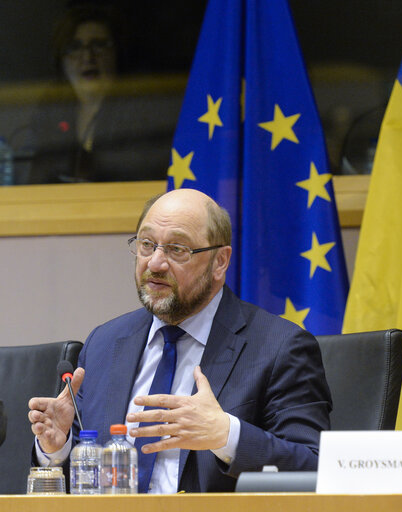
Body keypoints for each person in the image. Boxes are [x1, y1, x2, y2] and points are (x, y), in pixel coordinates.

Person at [28, 188, 332, 493]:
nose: (155, 263)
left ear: (219, 262)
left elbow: (315, 467)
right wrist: (59, 447)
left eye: (177, 249)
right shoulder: (105, 344)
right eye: (147, 245)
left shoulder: (278, 347)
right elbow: (85, 482)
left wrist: (226, 435)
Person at [26, 5, 177, 183]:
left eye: (99, 45)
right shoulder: (52, 109)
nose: (87, 57)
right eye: (75, 47)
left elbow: (140, 172)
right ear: (62, 59)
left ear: (117, 54)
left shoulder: (142, 106)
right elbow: (39, 178)